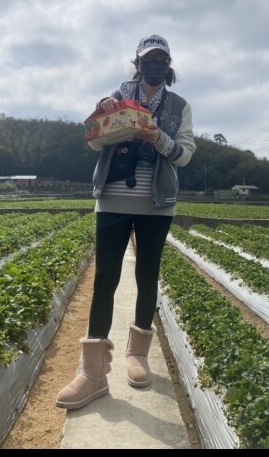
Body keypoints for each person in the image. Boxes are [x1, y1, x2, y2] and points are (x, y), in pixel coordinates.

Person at [55, 34, 196, 410]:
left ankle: (137, 356)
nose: (155, 65)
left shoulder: (179, 106)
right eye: (149, 59)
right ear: (138, 64)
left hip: (157, 203)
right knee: (105, 279)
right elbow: (94, 143)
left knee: (147, 276)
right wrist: (101, 113)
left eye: (161, 60)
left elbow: (184, 154)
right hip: (113, 200)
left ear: (168, 65)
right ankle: (93, 374)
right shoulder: (117, 97)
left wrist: (158, 137)